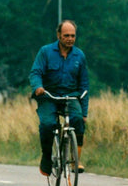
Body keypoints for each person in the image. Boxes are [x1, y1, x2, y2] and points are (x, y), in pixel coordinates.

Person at [29, 19, 89, 176]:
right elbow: (35, 73)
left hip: (70, 96)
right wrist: (38, 87)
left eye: (73, 36)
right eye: (66, 35)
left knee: (77, 120)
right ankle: (47, 156)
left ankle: (76, 160)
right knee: (48, 124)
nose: (70, 39)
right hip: (48, 96)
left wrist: (84, 113)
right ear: (58, 35)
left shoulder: (79, 56)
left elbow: (84, 86)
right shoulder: (46, 52)